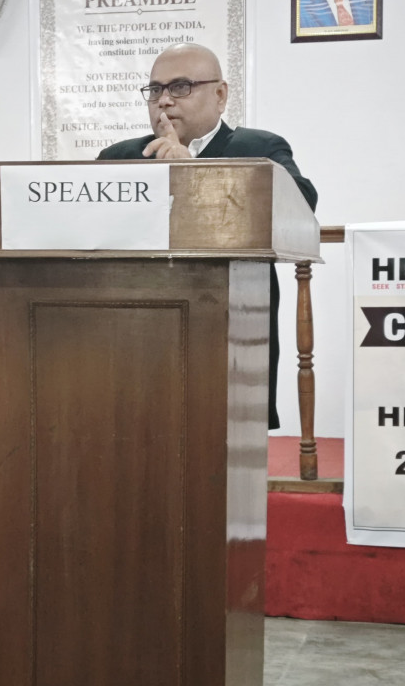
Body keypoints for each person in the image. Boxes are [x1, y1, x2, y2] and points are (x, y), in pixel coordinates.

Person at [97, 43, 317, 429]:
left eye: (180, 87)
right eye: (155, 89)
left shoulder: (258, 148)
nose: (164, 100)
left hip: (229, 329)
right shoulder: (120, 158)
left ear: (220, 95)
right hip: (136, 330)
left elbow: (300, 207)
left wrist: (195, 173)